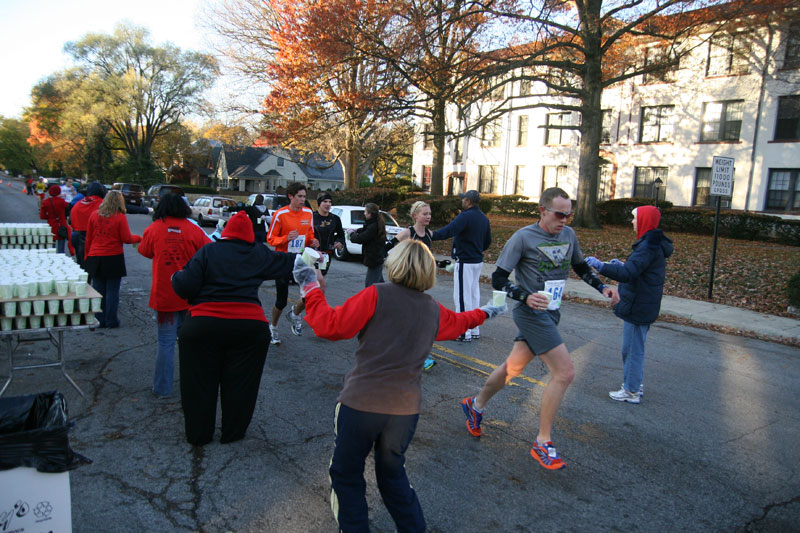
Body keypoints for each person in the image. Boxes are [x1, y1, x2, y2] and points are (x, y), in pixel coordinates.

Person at [295, 239, 506, 532]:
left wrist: (310, 287)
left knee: (346, 476)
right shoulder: (431, 309)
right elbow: (460, 322)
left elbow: (330, 326)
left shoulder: (376, 295)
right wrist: (489, 310)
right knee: (393, 478)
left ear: (394, 264)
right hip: (404, 411)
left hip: (361, 404)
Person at [460, 187, 620, 470]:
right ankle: (542, 441)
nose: (565, 220)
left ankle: (476, 404)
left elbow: (580, 267)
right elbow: (497, 279)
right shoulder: (523, 237)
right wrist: (525, 296)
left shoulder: (568, 235)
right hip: (530, 313)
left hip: (552, 311)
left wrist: (602, 287)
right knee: (564, 372)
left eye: (569, 215)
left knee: (514, 367)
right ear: (543, 210)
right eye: (560, 214)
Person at [171, 211, 296, 445]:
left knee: (198, 382)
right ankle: (233, 431)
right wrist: (316, 261)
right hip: (249, 327)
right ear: (250, 236)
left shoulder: (208, 251)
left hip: (202, 325)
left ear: (225, 233)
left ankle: (199, 434)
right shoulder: (258, 252)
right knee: (242, 383)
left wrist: (175, 277)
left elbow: (185, 286)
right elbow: (290, 263)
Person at [585, 205, 673, 403]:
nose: (632, 222)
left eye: (635, 219)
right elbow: (636, 270)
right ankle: (634, 384)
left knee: (632, 349)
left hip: (639, 305)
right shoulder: (651, 244)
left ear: (643, 221)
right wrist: (621, 265)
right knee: (634, 347)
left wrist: (602, 266)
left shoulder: (648, 246)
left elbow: (628, 274)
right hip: (642, 303)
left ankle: (631, 390)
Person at [138, 193, 211, 398]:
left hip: (164, 295)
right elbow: (208, 251)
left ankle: (162, 389)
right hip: (190, 295)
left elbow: (144, 251)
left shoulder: (154, 229)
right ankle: (193, 386)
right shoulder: (193, 229)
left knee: (166, 342)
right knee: (190, 343)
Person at [431, 189, 492, 342]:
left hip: (465, 261)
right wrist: (477, 249)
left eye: (463, 199)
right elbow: (488, 241)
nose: (462, 201)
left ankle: (464, 332)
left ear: (468, 201)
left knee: (462, 297)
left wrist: (432, 235)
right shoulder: (484, 218)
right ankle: (474, 329)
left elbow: (449, 230)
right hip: (477, 261)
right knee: (473, 295)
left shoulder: (465, 216)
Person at [282, 192, 346, 332]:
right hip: (311, 255)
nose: (328, 204)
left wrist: (339, 242)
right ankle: (311, 319)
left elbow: (341, 235)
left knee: (314, 290)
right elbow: (301, 233)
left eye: (330, 201)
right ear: (319, 203)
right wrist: (308, 242)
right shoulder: (312, 217)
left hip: (326, 257)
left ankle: (296, 313)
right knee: (317, 286)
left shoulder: (335, 219)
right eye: (325, 201)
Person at [266, 182, 318, 344]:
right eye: (300, 196)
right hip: (283, 260)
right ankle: (273, 328)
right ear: (291, 196)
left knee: (311, 293)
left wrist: (313, 241)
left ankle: (295, 314)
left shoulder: (308, 213)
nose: (303, 200)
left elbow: (309, 235)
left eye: (304, 196)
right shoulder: (280, 215)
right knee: (281, 300)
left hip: (301, 259)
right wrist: (285, 238)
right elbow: (270, 239)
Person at [84, 190, 142, 328]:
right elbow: (126, 238)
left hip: (95, 255)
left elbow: (89, 238)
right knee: (112, 290)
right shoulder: (119, 217)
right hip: (113, 256)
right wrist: (139, 237)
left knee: (99, 289)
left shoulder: (94, 215)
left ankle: (99, 319)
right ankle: (111, 320)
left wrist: (87, 256)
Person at [395, 200, 437, 370]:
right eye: (425, 214)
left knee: (419, 320)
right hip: (405, 283)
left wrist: (438, 265)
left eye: (429, 214)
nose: (428, 217)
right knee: (410, 320)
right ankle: (420, 356)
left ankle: (413, 353)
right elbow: (388, 250)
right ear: (415, 216)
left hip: (421, 284)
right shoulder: (407, 233)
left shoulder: (429, 235)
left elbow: (426, 258)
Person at [70, 181, 105, 274]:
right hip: (92, 239)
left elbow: (71, 221)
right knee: (92, 269)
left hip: (77, 236)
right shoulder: (101, 204)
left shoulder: (78, 203)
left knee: (81, 266)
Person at [349, 203, 386, 287]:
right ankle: (385, 297)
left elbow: (361, 238)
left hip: (374, 258)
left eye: (365, 212)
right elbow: (365, 230)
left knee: (370, 284)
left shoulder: (373, 226)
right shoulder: (374, 224)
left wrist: (351, 234)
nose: (364, 214)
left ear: (370, 214)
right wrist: (357, 230)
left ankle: (376, 299)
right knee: (379, 282)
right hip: (376, 257)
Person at [39, 184, 72, 255]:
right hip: (61, 225)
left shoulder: (46, 202)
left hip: (51, 225)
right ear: (59, 192)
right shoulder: (63, 202)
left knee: (51, 248)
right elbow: (69, 209)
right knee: (61, 249)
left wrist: (50, 217)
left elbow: (42, 216)